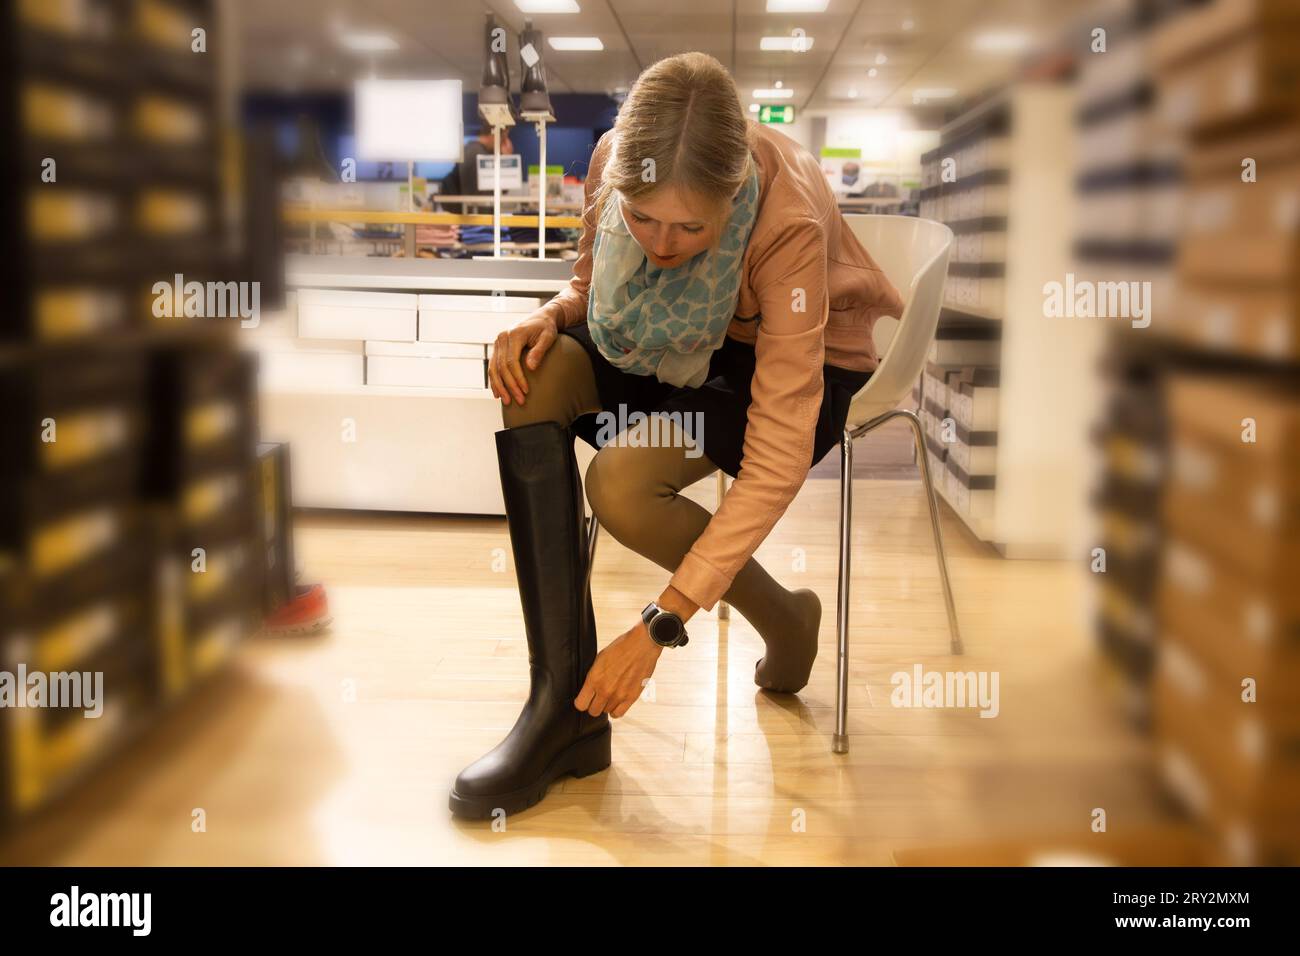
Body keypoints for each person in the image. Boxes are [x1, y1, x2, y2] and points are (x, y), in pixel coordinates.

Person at [449, 52, 903, 819]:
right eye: (643, 218)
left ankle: (785, 617)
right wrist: (548, 314)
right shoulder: (611, 162)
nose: (660, 245)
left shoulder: (784, 221)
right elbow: (593, 284)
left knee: (622, 486)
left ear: (732, 200)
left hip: (796, 357)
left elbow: (777, 456)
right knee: (541, 368)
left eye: (691, 226)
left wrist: (661, 623)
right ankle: (562, 707)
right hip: (671, 339)